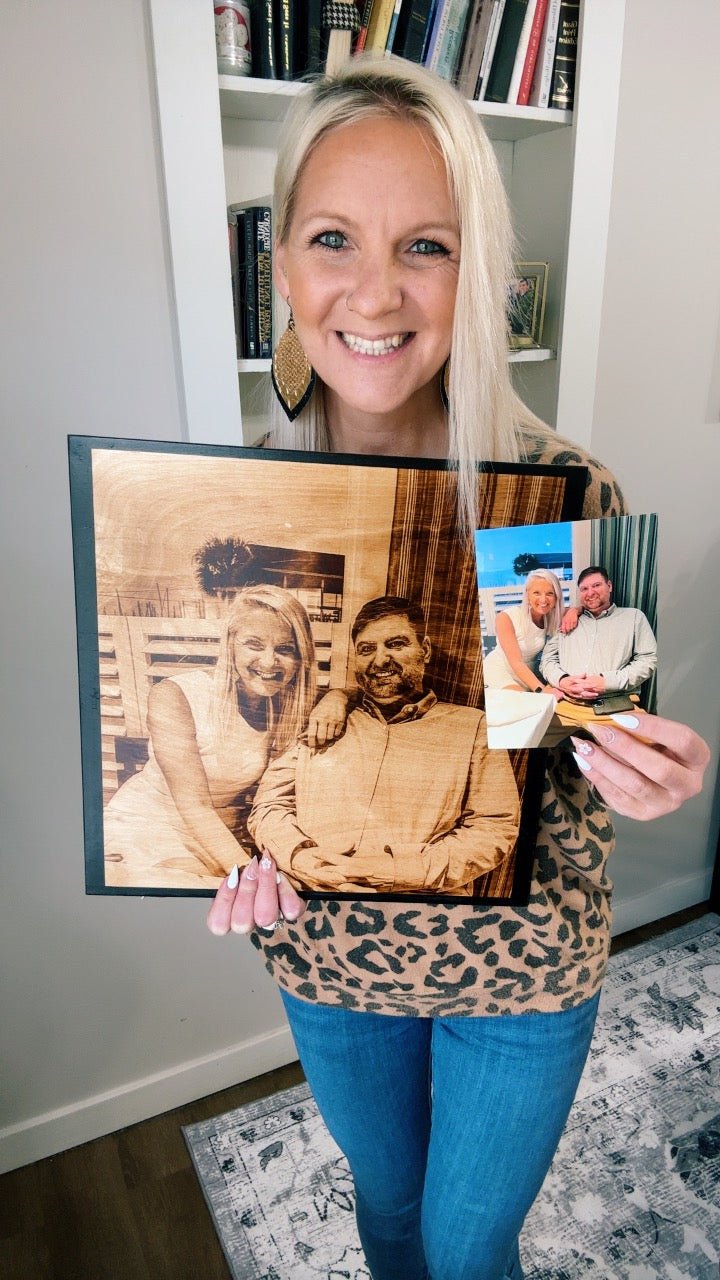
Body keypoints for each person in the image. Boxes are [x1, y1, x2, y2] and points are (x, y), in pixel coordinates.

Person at [205, 56, 710, 1280]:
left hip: (524, 972)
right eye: (334, 237)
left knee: (467, 1243)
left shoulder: (563, 501)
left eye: (425, 245)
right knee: (387, 1213)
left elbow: (583, 768)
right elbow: (245, 779)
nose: (376, 291)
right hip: (331, 962)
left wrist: (649, 771)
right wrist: (217, 849)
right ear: (283, 268)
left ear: (473, 271)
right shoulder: (242, 512)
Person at [249, 595, 520, 896]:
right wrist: (301, 858)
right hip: (309, 891)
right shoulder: (320, 717)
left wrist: (395, 872)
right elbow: (270, 806)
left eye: (396, 644)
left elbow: (493, 828)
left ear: (425, 650)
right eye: (367, 649)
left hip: (419, 903)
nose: (380, 661)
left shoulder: (473, 728)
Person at [103, 584, 316, 890]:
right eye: (254, 645)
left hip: (220, 835)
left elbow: (347, 696)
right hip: (149, 827)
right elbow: (195, 805)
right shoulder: (174, 695)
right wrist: (251, 874)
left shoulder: (284, 703)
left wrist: (338, 700)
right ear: (230, 644)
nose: (269, 662)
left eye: (285, 649)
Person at [540, 565, 657, 702]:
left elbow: (648, 659)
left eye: (596, 585)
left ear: (609, 586)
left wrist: (608, 682)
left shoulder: (634, 617)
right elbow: (547, 660)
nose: (590, 593)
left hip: (614, 701)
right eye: (584, 589)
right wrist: (562, 680)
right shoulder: (567, 620)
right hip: (564, 700)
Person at [482, 567, 569, 696]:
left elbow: (576, 609)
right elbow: (516, 662)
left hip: (528, 677)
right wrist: (542, 689)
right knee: (522, 702)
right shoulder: (506, 617)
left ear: (556, 597)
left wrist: (574, 611)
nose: (543, 599)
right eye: (537, 593)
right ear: (527, 595)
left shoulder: (550, 617)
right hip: (500, 672)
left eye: (549, 593)